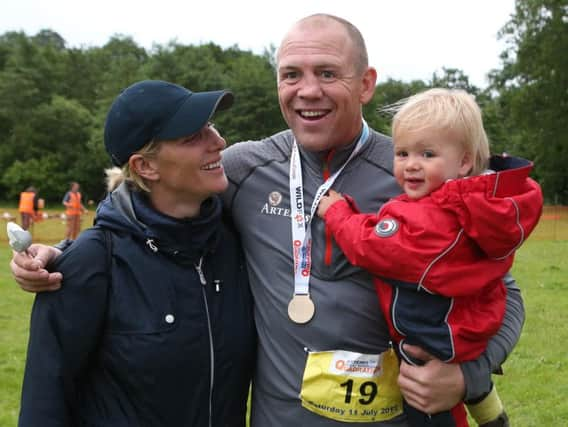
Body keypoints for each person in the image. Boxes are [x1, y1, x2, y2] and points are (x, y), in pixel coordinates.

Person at [11, 14, 525, 427]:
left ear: (366, 83)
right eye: (291, 75)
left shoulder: (414, 175)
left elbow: (505, 291)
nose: (307, 91)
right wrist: (68, 257)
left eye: (328, 73)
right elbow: (151, 201)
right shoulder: (242, 167)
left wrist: (467, 376)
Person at [18, 80, 256, 427]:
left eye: (211, 127)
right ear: (145, 167)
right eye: (192, 136)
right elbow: (45, 402)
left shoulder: (235, 240)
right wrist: (68, 254)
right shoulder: (91, 262)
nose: (218, 142)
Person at [317, 88, 543, 426]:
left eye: (427, 154)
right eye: (402, 153)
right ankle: (492, 415)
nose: (411, 165)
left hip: (433, 338)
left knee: (427, 405)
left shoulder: (435, 220)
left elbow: (374, 247)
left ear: (464, 161)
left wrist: (338, 213)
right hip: (468, 323)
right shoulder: (471, 204)